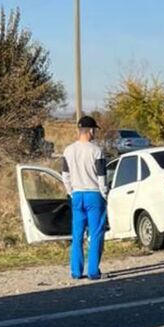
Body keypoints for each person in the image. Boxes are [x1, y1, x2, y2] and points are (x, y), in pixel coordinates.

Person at [60, 115, 109, 280]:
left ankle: (76, 271)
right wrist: (104, 194)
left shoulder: (68, 150)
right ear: (90, 131)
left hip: (77, 194)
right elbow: (102, 176)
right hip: (94, 193)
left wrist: (70, 191)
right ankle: (93, 271)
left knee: (77, 234)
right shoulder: (96, 151)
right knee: (95, 233)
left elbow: (65, 175)